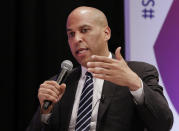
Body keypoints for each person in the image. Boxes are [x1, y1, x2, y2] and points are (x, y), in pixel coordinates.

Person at [26, 6, 173, 131]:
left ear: (106, 33)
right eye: (71, 34)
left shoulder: (139, 72)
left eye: (84, 30)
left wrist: (134, 83)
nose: (76, 39)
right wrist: (45, 112)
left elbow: (163, 124)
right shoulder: (59, 84)